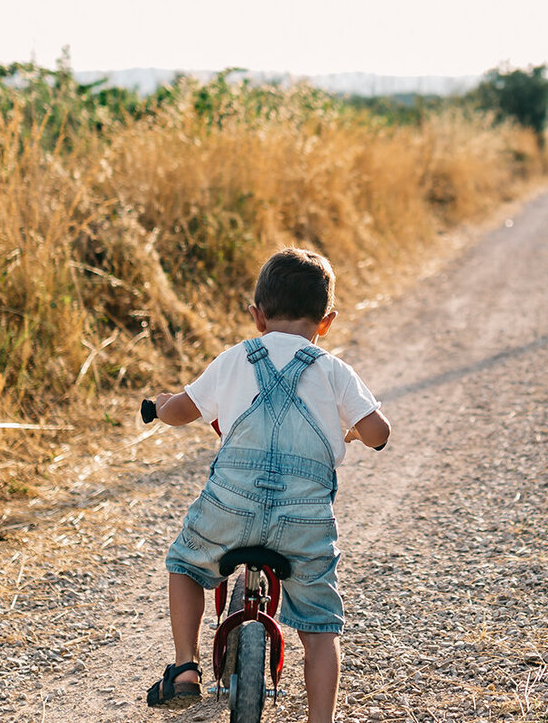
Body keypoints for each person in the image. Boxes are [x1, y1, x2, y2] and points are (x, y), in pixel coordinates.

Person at [144, 247, 392, 721]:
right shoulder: (335, 371)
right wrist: (356, 432)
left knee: (185, 562)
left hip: (231, 507)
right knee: (321, 627)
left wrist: (159, 405)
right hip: (304, 520)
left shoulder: (235, 359)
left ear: (257, 317)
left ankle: (184, 669)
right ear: (327, 322)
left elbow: (181, 411)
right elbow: (379, 434)